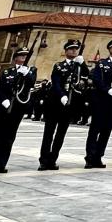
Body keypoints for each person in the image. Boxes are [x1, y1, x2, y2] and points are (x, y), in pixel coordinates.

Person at [0, 47, 36, 174]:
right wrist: (3, 100)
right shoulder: (7, 72)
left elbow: (31, 84)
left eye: (25, 55)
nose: (24, 57)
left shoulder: (31, 71)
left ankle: (1, 164)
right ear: (16, 57)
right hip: (4, 107)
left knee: (9, 137)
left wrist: (27, 74)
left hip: (17, 107)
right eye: (21, 55)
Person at [39, 40, 87, 171]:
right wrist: (62, 95)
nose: (74, 51)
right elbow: (56, 83)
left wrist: (83, 64)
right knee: (48, 133)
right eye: (71, 49)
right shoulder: (59, 66)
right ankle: (44, 160)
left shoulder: (79, 66)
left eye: (76, 49)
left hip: (69, 105)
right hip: (55, 103)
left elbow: (87, 77)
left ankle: (53, 159)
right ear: (66, 51)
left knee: (60, 134)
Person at [83, 39, 112, 168]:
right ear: (109, 49)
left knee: (106, 131)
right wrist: (107, 89)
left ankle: (98, 156)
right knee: (95, 130)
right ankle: (90, 157)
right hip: (101, 101)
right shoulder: (102, 64)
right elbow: (96, 79)